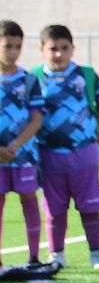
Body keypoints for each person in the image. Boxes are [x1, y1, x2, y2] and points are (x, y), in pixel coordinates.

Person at [34, 24, 99, 269]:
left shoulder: (86, 75)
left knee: (90, 207)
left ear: (73, 49)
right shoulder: (34, 78)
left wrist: (97, 127)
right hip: (49, 155)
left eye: (64, 48)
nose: (59, 54)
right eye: (53, 49)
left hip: (84, 154)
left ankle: (97, 254)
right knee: (55, 210)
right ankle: (57, 254)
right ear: (42, 50)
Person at [0, 21, 43, 267]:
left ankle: (34, 256)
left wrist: (15, 146)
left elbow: (36, 119)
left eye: (18, 46)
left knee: (29, 200)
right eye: (8, 46)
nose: (13, 52)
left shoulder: (28, 80)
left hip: (22, 155)